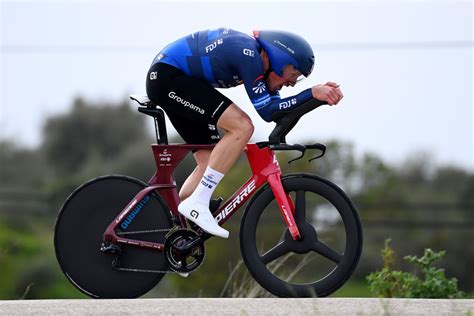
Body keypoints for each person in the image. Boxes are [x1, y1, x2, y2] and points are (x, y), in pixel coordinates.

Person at [146, 28, 343, 238]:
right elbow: (268, 112)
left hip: (173, 79)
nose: (291, 83)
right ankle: (198, 203)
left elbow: (279, 110)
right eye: (293, 74)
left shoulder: (258, 62)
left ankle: (178, 231)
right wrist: (311, 93)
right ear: (278, 59)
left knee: (209, 161)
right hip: (169, 77)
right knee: (242, 126)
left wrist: (314, 99)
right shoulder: (248, 55)